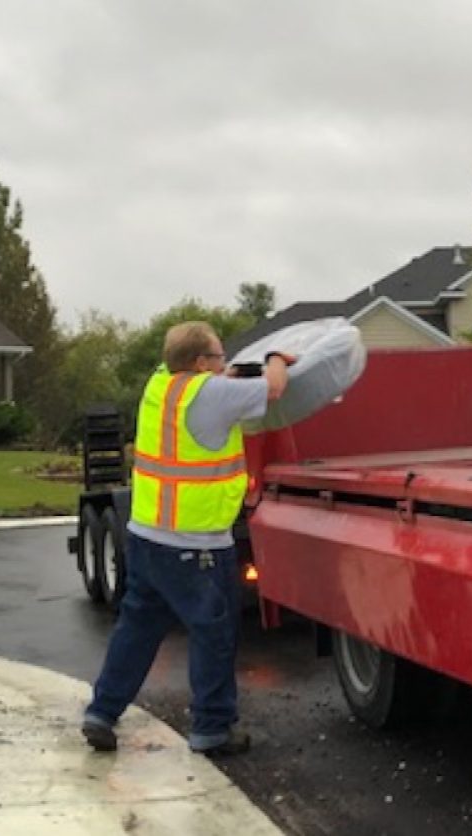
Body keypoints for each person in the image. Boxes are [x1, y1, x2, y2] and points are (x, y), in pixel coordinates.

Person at [82, 321, 293, 757]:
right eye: (218, 357)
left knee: (137, 629)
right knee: (213, 632)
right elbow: (273, 390)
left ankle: (102, 712)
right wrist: (277, 359)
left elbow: (208, 396)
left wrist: (227, 378)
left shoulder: (160, 386)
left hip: (146, 537)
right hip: (195, 544)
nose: (224, 365)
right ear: (201, 363)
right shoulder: (211, 394)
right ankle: (212, 729)